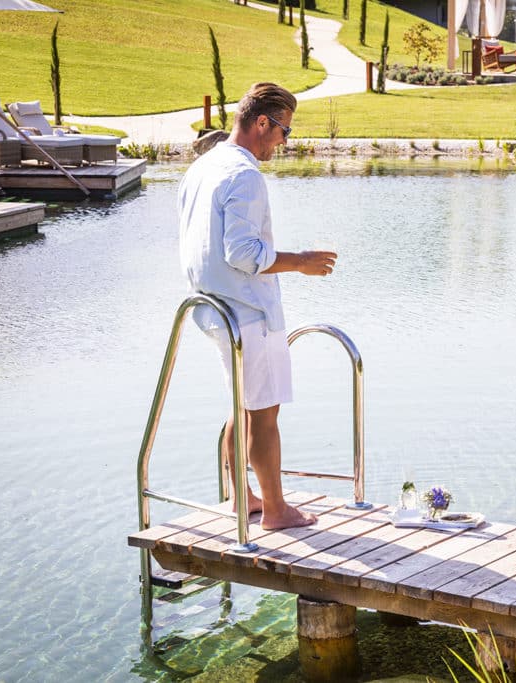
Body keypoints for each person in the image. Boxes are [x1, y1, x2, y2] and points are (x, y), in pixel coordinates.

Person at [178, 82, 336, 530]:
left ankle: (240, 498)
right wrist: (300, 262)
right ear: (261, 123)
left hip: (212, 311)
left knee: (242, 405)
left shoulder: (202, 167)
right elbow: (243, 253)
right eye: (284, 131)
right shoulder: (244, 175)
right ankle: (276, 510)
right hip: (248, 313)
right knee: (264, 413)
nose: (285, 142)